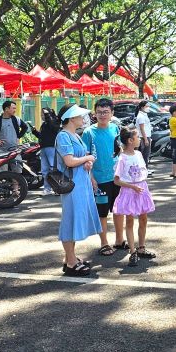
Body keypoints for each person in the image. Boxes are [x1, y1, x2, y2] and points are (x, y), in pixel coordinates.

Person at [55, 104, 101, 277]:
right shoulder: (63, 136)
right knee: (70, 221)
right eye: (80, 116)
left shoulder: (74, 134)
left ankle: (70, 259)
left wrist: (87, 164)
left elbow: (78, 159)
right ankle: (71, 262)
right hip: (72, 185)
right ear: (72, 118)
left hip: (81, 182)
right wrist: (88, 158)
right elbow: (69, 161)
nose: (83, 119)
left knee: (74, 220)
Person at [81, 98, 124, 256]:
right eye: (99, 112)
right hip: (99, 180)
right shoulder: (88, 132)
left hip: (117, 178)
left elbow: (119, 150)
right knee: (102, 213)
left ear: (112, 113)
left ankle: (120, 240)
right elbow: (85, 157)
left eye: (106, 112)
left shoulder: (115, 128)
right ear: (95, 114)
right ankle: (104, 243)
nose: (102, 115)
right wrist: (91, 177)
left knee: (119, 210)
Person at [113, 126, 156, 266]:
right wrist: (132, 186)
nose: (139, 140)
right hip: (130, 191)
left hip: (141, 189)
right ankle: (132, 251)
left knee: (143, 219)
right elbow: (117, 180)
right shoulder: (122, 158)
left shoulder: (138, 154)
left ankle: (141, 247)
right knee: (130, 221)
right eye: (137, 137)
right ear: (130, 140)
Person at [0, 100, 29, 173]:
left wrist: (18, 136)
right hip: (0, 151)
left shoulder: (16, 119)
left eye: (15, 108)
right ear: (6, 109)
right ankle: (4, 184)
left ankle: (16, 184)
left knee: (17, 171)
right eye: (13, 108)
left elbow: (25, 127)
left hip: (14, 150)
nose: (15, 110)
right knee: (2, 173)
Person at [35, 107, 60, 196]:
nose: (42, 116)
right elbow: (42, 136)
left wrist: (48, 116)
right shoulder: (44, 124)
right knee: (45, 170)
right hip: (43, 148)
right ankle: (47, 188)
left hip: (51, 147)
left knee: (53, 168)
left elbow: (54, 128)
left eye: (44, 114)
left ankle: (57, 188)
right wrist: (35, 132)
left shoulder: (53, 122)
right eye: (41, 114)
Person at [135, 100, 152, 167]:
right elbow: (142, 129)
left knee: (146, 155)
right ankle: (143, 169)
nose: (148, 108)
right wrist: (145, 139)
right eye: (147, 106)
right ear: (142, 107)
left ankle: (145, 169)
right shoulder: (141, 116)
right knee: (144, 155)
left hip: (146, 136)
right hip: (143, 137)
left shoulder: (144, 115)